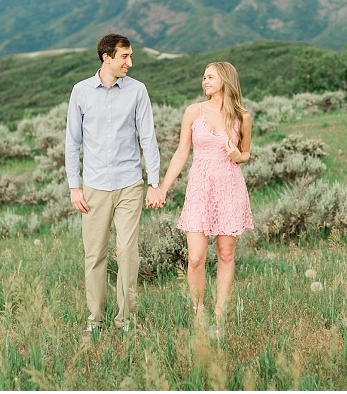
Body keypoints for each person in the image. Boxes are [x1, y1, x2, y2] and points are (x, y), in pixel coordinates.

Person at [65, 33, 164, 334]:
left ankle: (126, 321)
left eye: (130, 56)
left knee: (127, 252)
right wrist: (74, 186)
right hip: (93, 187)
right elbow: (72, 142)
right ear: (107, 57)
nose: (130, 63)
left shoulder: (138, 91)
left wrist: (154, 183)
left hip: (129, 184)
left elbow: (148, 138)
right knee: (94, 255)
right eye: (124, 57)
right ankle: (95, 320)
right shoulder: (81, 92)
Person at [153, 61, 254, 329]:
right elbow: (181, 153)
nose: (204, 81)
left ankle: (220, 314)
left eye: (210, 77)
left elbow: (246, 153)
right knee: (196, 256)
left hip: (229, 186)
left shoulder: (242, 116)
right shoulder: (193, 112)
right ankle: (199, 311)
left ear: (225, 79)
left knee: (225, 253)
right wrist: (163, 187)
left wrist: (238, 156)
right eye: (204, 77)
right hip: (199, 187)